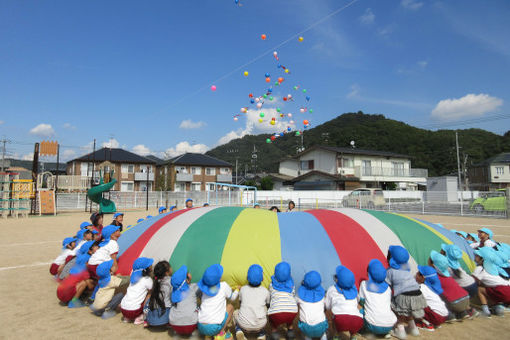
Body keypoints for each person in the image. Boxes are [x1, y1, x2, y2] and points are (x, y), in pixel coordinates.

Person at [385, 245, 426, 339]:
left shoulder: (390, 271)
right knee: (409, 311)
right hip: (417, 294)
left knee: (397, 310)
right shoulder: (406, 267)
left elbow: (387, 286)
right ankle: (413, 328)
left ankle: (400, 330)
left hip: (404, 295)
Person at [197, 264, 238, 339]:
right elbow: (233, 298)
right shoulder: (223, 286)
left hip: (201, 326)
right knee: (230, 307)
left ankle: (208, 335)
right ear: (219, 278)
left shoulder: (202, 288)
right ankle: (221, 333)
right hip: (214, 327)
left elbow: (199, 296)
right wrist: (237, 290)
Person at [428, 251, 472, 320]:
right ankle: (462, 313)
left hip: (455, 304)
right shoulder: (448, 274)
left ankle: (449, 314)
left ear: (432, 264)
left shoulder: (434, 277)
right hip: (466, 300)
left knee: (434, 294)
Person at [358, 259, 396, 338]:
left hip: (372, 325)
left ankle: (367, 331)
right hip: (389, 325)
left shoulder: (364, 284)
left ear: (369, 274)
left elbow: (361, 303)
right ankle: (385, 332)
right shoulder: (388, 288)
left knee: (360, 309)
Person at [326, 266, 363, 340]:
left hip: (340, 319)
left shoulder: (332, 289)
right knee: (355, 316)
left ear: (337, 279)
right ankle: (354, 335)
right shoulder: (354, 290)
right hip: (357, 320)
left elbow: (328, 306)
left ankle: (336, 335)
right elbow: (357, 301)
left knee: (333, 315)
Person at [234, 264, 270, 340]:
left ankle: (238, 330)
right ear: (263, 279)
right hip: (260, 326)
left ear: (247, 277)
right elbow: (268, 305)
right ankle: (261, 334)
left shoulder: (243, 289)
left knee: (235, 312)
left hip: (243, 325)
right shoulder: (265, 291)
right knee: (265, 310)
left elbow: (240, 303)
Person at [57, 241, 97, 307]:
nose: (98, 247)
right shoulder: (84, 270)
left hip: (59, 292)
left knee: (78, 281)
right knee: (85, 283)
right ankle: (73, 302)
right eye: (95, 247)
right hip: (65, 295)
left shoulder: (76, 263)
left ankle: (71, 297)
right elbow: (90, 287)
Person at [472, 247, 510, 317]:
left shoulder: (480, 268)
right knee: (490, 289)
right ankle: (499, 307)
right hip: (507, 290)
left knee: (479, 289)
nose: (475, 256)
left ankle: (486, 311)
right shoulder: (494, 267)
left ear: (482, 259)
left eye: (477, 256)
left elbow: (472, 281)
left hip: (501, 291)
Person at [267, 262, 298, 340]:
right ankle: (290, 332)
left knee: (271, 318)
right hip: (292, 312)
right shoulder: (292, 286)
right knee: (288, 315)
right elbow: (293, 296)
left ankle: (274, 333)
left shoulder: (271, 285)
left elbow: (270, 297)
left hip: (276, 313)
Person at [120, 257, 154, 324]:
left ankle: (127, 318)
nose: (152, 266)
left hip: (123, 310)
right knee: (150, 295)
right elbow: (151, 290)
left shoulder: (133, 279)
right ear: (146, 269)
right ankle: (139, 317)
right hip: (134, 311)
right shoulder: (147, 280)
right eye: (150, 266)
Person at [415, 266, 449, 330]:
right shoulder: (431, 287)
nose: (416, 274)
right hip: (444, 316)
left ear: (422, 278)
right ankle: (434, 322)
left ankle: (426, 323)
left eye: (418, 273)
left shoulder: (422, 287)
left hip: (436, 317)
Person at [297, 271, 328, 340]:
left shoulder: (299, 297)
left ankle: (308, 337)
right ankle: (323, 336)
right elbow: (326, 306)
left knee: (307, 331)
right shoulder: (322, 297)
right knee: (324, 320)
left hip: (306, 328)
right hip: (321, 327)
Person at [170, 265, 200, 336]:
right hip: (191, 325)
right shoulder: (193, 287)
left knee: (173, 307)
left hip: (175, 326)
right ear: (187, 279)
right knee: (199, 308)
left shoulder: (174, 292)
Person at [145, 261, 173, 327]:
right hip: (164, 318)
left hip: (151, 319)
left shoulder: (156, 282)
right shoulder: (171, 281)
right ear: (167, 272)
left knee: (150, 299)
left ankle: (145, 319)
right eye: (170, 267)